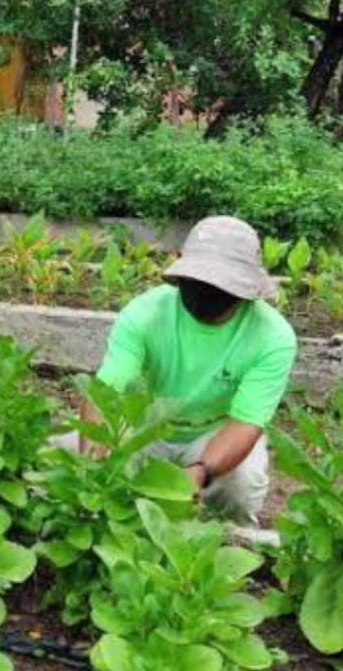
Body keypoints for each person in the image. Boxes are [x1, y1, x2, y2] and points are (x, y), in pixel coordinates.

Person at [77, 215, 297, 524]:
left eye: (223, 287)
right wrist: (92, 466)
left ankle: (230, 543)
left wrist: (201, 471)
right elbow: (105, 394)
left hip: (212, 435)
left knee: (241, 483)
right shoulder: (144, 315)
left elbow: (245, 423)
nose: (208, 293)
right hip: (145, 427)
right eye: (199, 282)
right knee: (77, 458)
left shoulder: (272, 336)